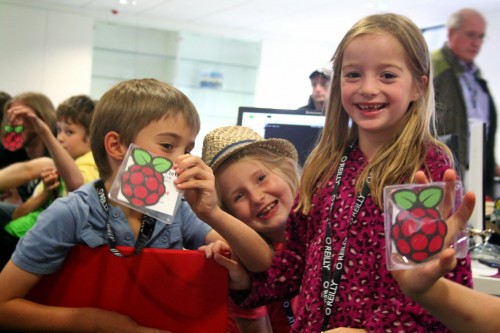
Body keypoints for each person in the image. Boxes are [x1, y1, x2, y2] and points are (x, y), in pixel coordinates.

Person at [212, 13, 477, 332]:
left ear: (418, 87)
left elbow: (440, 289)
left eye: (388, 75)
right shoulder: (324, 164)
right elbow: (295, 265)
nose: (367, 88)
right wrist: (245, 282)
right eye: (353, 74)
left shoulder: (426, 168)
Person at [0, 78, 273, 332]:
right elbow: (4, 305)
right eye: (167, 145)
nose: (182, 161)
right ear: (116, 145)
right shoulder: (71, 213)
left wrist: (211, 212)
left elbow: (261, 260)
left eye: (187, 150)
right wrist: (92, 321)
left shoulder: (179, 209)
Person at [202, 125, 300, 333]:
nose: (256, 198)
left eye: (261, 178)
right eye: (239, 196)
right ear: (230, 216)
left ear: (287, 168)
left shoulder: (328, 230)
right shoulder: (243, 264)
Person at [0, 95, 99, 269]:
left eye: (69, 132)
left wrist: (43, 131)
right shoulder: (16, 148)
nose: (60, 138)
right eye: (59, 130)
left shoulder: (84, 163)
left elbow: (76, 185)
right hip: (21, 232)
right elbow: (19, 214)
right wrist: (44, 193)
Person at [432, 8, 498, 198]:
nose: (476, 43)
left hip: (477, 172)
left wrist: (490, 165)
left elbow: (479, 128)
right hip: (444, 172)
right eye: (470, 35)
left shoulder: (476, 77)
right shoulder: (433, 66)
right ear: (451, 33)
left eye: (481, 37)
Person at [0, 92, 56, 225]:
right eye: (10, 116)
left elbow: (29, 170)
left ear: (42, 119)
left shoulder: (55, 154)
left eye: (20, 116)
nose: (13, 122)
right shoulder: (15, 150)